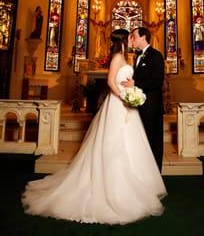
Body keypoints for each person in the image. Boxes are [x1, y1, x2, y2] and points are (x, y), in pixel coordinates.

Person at [22, 28, 167, 225]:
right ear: (124, 40)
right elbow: (111, 81)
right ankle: (110, 185)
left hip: (132, 107)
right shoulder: (118, 57)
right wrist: (124, 95)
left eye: (134, 36)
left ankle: (138, 182)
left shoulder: (136, 57)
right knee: (113, 145)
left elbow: (150, 80)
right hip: (118, 105)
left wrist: (131, 91)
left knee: (132, 145)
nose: (132, 39)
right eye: (130, 37)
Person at [121, 27, 165, 172]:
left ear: (143, 37)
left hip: (152, 107)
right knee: (141, 141)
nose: (132, 39)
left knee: (153, 141)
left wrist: (135, 84)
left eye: (134, 36)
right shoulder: (137, 56)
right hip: (140, 106)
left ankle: (154, 174)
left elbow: (157, 81)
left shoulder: (156, 56)